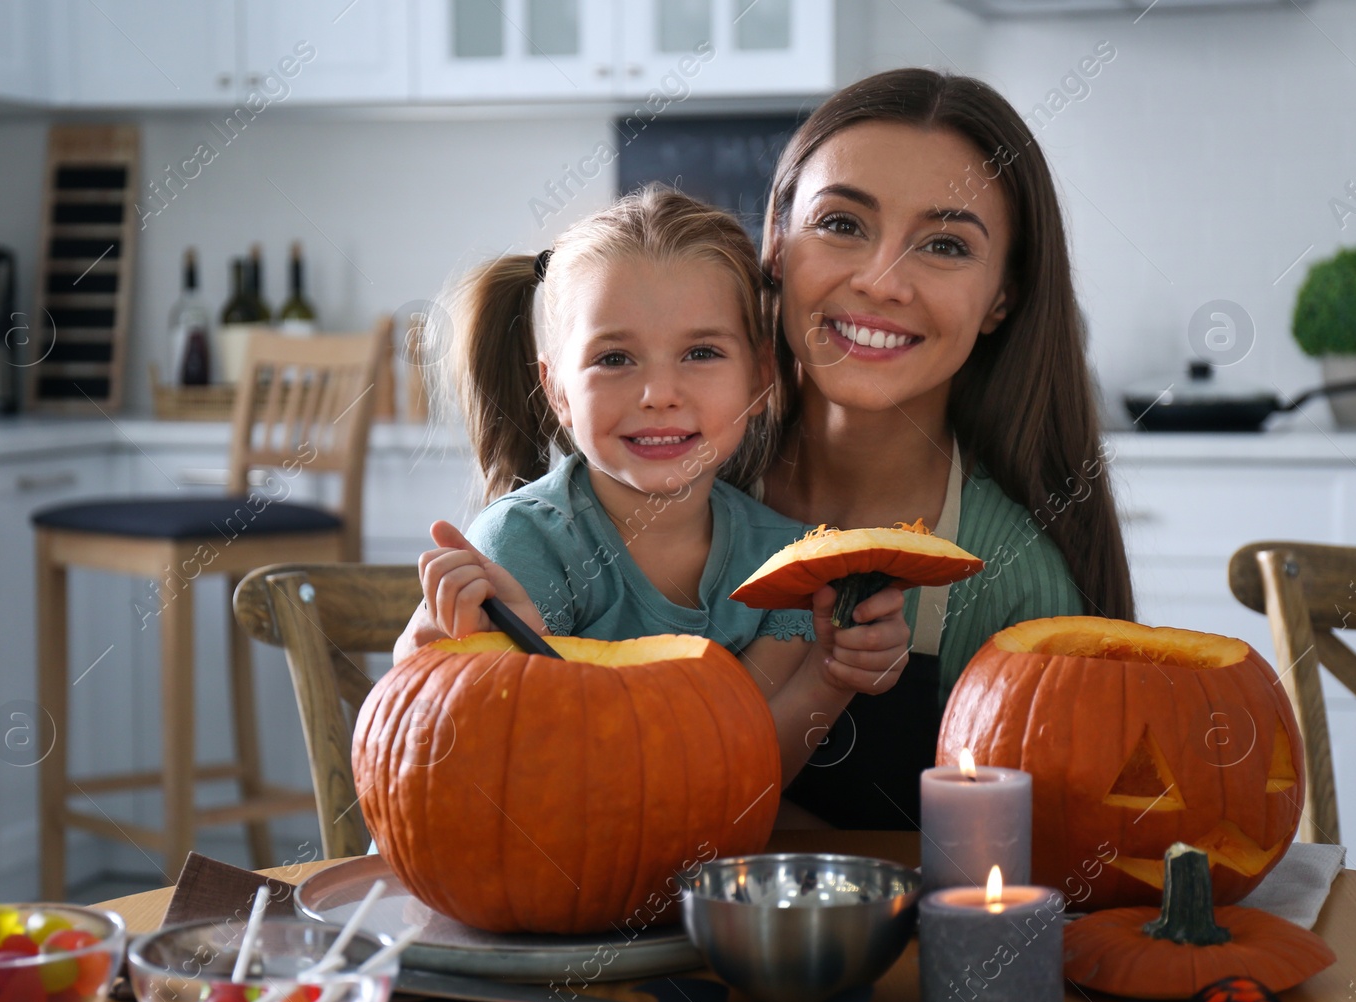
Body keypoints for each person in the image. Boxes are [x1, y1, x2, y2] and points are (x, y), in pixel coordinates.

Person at [394, 185, 910, 783]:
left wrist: (832, 670)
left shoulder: (787, 561)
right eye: (614, 359)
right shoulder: (524, 546)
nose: (659, 393)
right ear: (558, 390)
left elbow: (736, 765)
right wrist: (478, 666)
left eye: (701, 352)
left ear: (761, 376)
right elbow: (509, 774)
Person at [759, 69, 1136, 830]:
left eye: (943, 244)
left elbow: (1014, 880)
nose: (881, 281)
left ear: (1003, 296)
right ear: (775, 242)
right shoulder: (666, 485)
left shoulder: (1012, 582)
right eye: (841, 224)